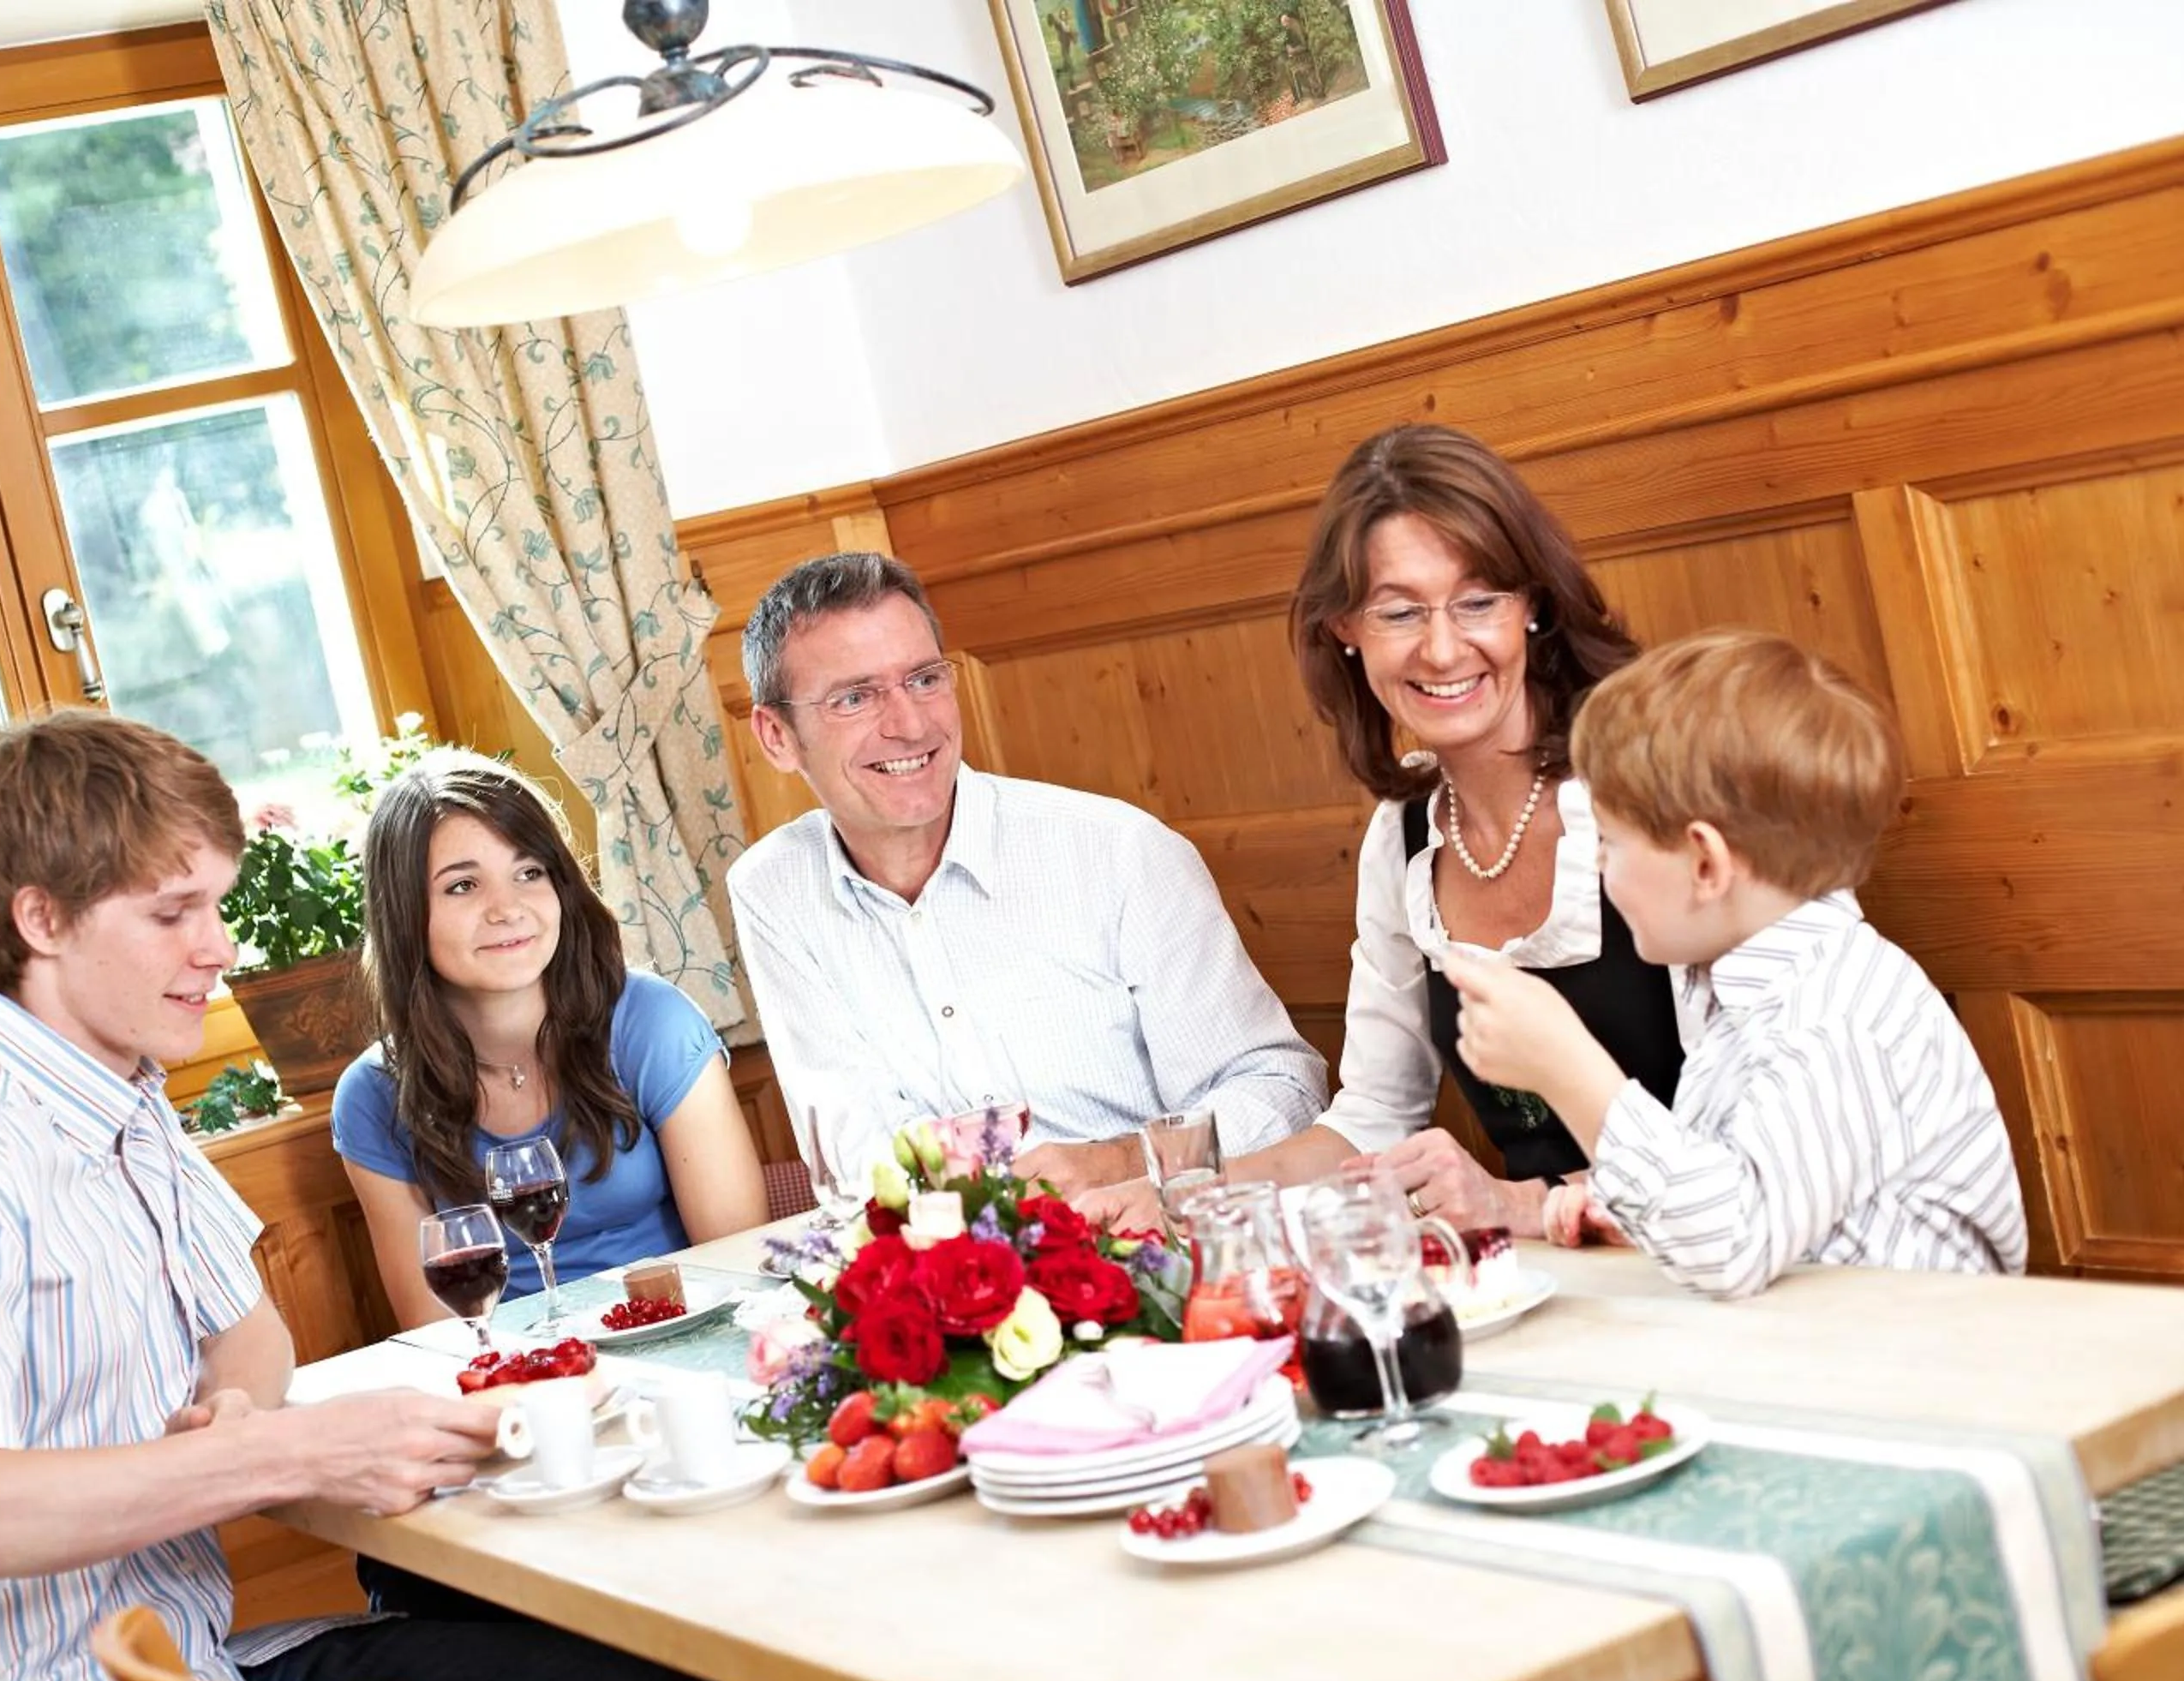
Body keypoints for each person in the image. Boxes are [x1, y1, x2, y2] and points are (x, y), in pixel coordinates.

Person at [0, 711, 717, 1681]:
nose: (219, 947)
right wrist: (266, 1453)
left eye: (216, 905)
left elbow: (251, 1338)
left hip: (180, 1661)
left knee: (642, 1679)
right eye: (173, 913)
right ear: (42, 920)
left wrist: (235, 1412)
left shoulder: (127, 1107)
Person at [1096, 423, 1690, 1237]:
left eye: (1479, 601)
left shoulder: (1650, 782)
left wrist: (1522, 1204)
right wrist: (1188, 1196)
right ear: (1345, 629)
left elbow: (1745, 1142)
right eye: (1400, 611)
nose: (1444, 649)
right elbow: (1374, 1114)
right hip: (1560, 1274)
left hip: (1719, 1252)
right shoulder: (1405, 832)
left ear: (1534, 608)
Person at [1445, 631, 2027, 1297]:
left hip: (1915, 1373)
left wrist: (1568, 1067)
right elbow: (1767, 1191)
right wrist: (1635, 1210)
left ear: (1705, 863)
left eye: (1610, 841)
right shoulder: (1749, 992)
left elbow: (1732, 1244)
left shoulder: (1834, 1019)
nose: (1600, 864)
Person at [726, 550, 1325, 1194]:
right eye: (855, 697)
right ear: (777, 737)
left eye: (925, 679)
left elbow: (1281, 1088)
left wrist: (1122, 1161)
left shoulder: (1119, 851)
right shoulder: (774, 889)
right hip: (951, 1264)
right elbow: (850, 1144)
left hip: (1171, 1241)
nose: (909, 724)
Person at [332, 750, 766, 1324]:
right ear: (404, 913)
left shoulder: (652, 1023)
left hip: (679, 1335)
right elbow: (435, 1327)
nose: (507, 908)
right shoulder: (372, 1094)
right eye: (462, 886)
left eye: (529, 872)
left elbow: (739, 1265)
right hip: (518, 1385)